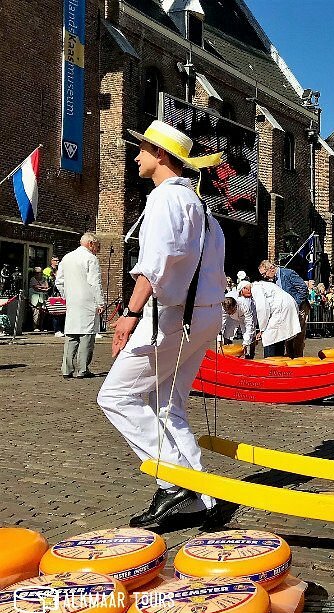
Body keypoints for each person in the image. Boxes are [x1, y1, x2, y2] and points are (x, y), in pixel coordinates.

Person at [97, 120, 226, 529]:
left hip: (174, 316)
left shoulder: (165, 199)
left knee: (117, 396)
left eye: (143, 149)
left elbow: (154, 265)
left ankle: (174, 483)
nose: (136, 156)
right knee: (168, 406)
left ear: (161, 155)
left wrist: (130, 314)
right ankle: (201, 496)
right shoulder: (201, 206)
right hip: (203, 313)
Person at [55, 233, 104, 378]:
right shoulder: (91, 258)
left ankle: (66, 369)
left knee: (71, 334)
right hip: (88, 300)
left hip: (72, 300)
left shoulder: (67, 257)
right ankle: (82, 369)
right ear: (91, 244)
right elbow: (95, 282)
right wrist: (100, 302)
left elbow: (59, 281)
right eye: (97, 246)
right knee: (86, 335)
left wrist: (67, 295)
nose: (97, 249)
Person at [258, 260, 310, 357]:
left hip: (300, 308)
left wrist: (294, 304)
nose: (264, 277)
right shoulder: (272, 280)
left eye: (264, 274)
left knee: (297, 337)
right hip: (285, 311)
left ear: (271, 269)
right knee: (287, 335)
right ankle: (289, 357)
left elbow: (303, 289)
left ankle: (297, 359)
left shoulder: (288, 273)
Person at [249, 280, 301, 357]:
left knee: (268, 336)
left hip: (282, 309)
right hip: (287, 306)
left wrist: (262, 329)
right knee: (280, 335)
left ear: (245, 288)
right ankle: (279, 359)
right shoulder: (265, 284)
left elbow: (262, 309)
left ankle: (270, 361)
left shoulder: (255, 288)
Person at [221, 288, 256, 359]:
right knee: (227, 334)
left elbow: (250, 325)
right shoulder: (223, 307)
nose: (230, 313)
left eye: (232, 311)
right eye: (228, 312)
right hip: (231, 319)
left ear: (236, 305)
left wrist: (246, 342)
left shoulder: (245, 304)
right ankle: (228, 355)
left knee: (251, 337)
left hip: (245, 317)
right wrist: (219, 340)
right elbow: (221, 324)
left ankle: (250, 357)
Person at [28, 267, 49, 331]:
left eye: (40, 272)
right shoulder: (32, 279)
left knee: (43, 312)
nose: (39, 274)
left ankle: (41, 326)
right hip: (35, 298)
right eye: (37, 273)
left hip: (43, 297)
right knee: (36, 312)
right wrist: (43, 288)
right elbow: (35, 287)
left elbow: (47, 287)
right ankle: (35, 327)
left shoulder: (44, 278)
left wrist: (41, 288)